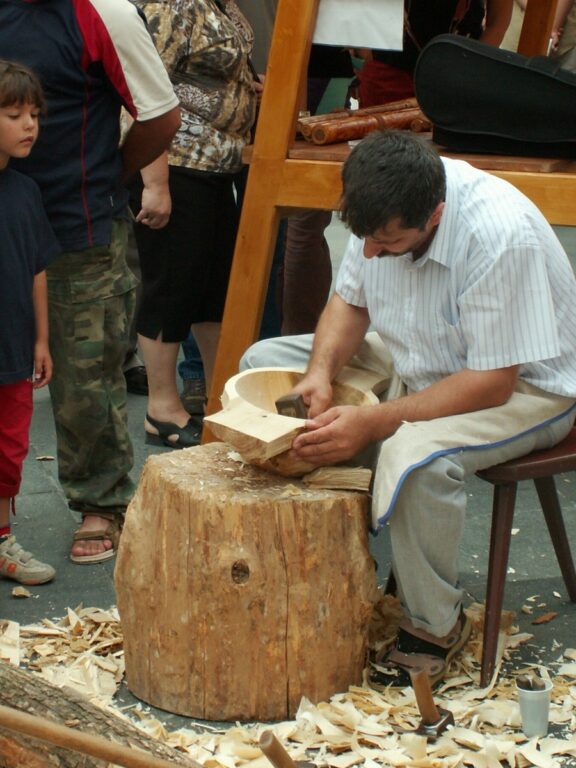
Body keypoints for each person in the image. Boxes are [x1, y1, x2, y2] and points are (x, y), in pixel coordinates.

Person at [241, 130, 576, 688]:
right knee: (265, 363)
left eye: (389, 243)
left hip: (525, 386)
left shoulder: (499, 236)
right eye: (366, 239)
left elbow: (492, 383)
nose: (371, 252)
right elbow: (350, 301)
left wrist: (373, 421)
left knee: (415, 455)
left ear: (435, 215)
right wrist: (319, 374)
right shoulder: (381, 201)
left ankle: (435, 625)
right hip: (419, 355)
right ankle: (315, 567)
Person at [0, 0, 181, 563]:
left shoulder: (102, 13)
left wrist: (111, 175)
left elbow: (161, 115)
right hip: (6, 222)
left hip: (79, 225)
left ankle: (100, 503)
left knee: (86, 375)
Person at [131, 0, 259, 449]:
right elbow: (144, 91)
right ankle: (161, 409)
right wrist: (155, 182)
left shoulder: (221, 4)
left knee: (213, 290)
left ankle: (222, 395)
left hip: (218, 167)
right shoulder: (171, 5)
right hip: (177, 165)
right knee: (172, 286)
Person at [0, 60, 60, 585]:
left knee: (10, 449)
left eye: (34, 114)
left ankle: (2, 542)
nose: (29, 125)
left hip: (14, 351)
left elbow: (37, 268)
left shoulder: (25, 192)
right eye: (14, 113)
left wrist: (42, 340)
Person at [357, 0, 513, 107]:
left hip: (457, 79)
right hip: (390, 73)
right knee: (380, 150)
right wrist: (367, 51)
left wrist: (471, 71)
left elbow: (497, 24)